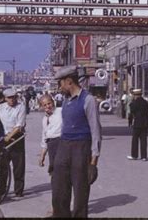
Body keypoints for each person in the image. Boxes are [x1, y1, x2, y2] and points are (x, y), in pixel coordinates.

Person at [52, 65, 101, 218]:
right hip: (64, 146)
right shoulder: (65, 101)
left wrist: (93, 163)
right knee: (59, 191)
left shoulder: (88, 100)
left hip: (81, 148)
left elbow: (96, 131)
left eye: (60, 83)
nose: (59, 87)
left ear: (69, 82)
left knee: (80, 192)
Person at [0, 88, 27, 198]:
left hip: (17, 138)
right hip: (3, 138)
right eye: (9, 98)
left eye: (14, 97)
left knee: (18, 165)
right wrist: (4, 138)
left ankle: (18, 190)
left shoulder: (21, 107)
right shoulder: (0, 108)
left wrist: (10, 136)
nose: (12, 100)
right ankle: (1, 189)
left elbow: (19, 125)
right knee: (2, 165)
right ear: (5, 98)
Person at [38, 94, 62, 174]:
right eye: (44, 105)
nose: (47, 106)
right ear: (41, 106)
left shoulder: (61, 112)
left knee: (61, 169)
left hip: (61, 143)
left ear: (53, 102)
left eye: (49, 103)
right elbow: (44, 137)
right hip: (51, 145)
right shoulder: (44, 119)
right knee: (54, 171)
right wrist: (42, 155)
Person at [127, 88, 148, 161]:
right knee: (143, 140)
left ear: (135, 95)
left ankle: (134, 155)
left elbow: (132, 110)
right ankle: (144, 156)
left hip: (137, 123)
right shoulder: (145, 102)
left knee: (135, 139)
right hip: (145, 123)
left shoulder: (134, 103)